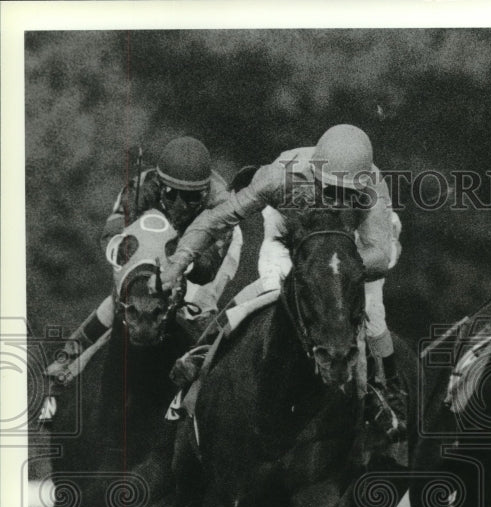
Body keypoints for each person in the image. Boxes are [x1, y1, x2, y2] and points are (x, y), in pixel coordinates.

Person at [158, 124, 407, 437]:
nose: (336, 202)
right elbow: (215, 220)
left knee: (371, 308)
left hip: (351, 242)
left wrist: (334, 270)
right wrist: (177, 264)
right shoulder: (280, 178)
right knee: (273, 286)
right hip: (293, 224)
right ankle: (201, 353)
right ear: (315, 177)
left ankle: (387, 390)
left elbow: (381, 256)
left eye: (347, 195)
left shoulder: (373, 187)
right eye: (330, 191)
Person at [44, 136, 229, 388]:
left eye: (191, 197)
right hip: (156, 240)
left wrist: (179, 269)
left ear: (206, 193)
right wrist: (133, 269)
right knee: (121, 300)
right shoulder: (140, 188)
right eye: (171, 194)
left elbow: (206, 271)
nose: (180, 205)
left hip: (201, 245)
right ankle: (67, 357)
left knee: (196, 305)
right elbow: (110, 237)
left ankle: (207, 381)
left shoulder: (223, 205)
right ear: (159, 185)